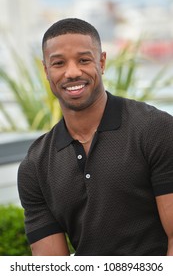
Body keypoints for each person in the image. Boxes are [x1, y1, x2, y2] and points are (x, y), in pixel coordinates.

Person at [18, 18, 173, 256]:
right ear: (46, 70)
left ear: (101, 62)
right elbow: (51, 266)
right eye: (59, 63)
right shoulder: (35, 166)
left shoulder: (155, 129)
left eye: (84, 60)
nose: (72, 72)